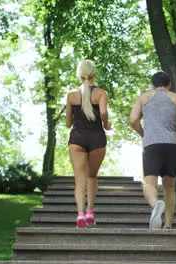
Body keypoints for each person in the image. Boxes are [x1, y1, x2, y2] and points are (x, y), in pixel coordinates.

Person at [130, 71, 176, 229]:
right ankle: (168, 225)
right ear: (169, 85)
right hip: (172, 144)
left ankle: (156, 203)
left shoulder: (143, 98)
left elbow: (133, 119)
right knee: (169, 186)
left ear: (152, 85)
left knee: (149, 183)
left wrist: (144, 134)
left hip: (152, 144)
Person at [66, 59, 111, 228]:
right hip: (97, 139)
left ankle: (80, 214)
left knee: (80, 179)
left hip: (77, 139)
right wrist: (106, 124)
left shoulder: (71, 95)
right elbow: (104, 112)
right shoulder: (101, 93)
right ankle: (90, 212)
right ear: (94, 73)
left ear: (79, 74)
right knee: (92, 176)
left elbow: (68, 123)